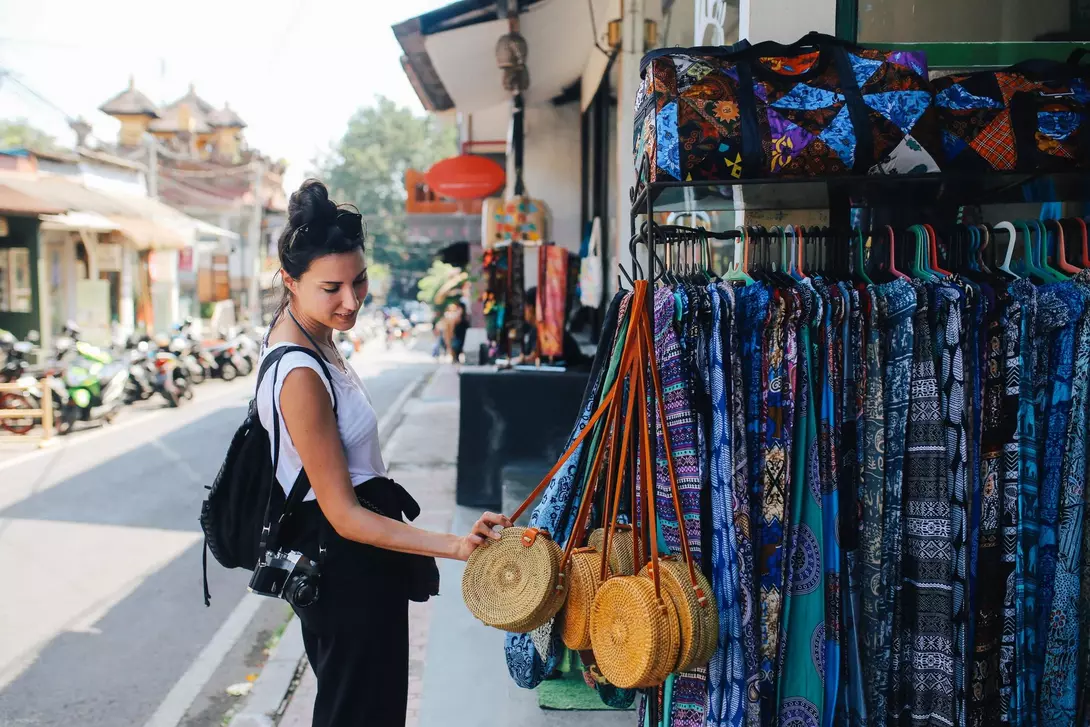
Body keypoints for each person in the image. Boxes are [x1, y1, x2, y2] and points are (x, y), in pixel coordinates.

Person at [258, 179, 509, 727]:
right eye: (331, 288)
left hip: (363, 565)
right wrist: (455, 545)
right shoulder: (298, 372)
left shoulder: (315, 336)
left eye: (359, 280)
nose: (351, 300)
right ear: (289, 281)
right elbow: (344, 514)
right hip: (347, 572)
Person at [511, 287, 589, 367]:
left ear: (530, 308)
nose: (523, 311)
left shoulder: (548, 331)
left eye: (524, 307)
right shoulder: (535, 331)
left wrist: (517, 360)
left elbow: (534, 358)